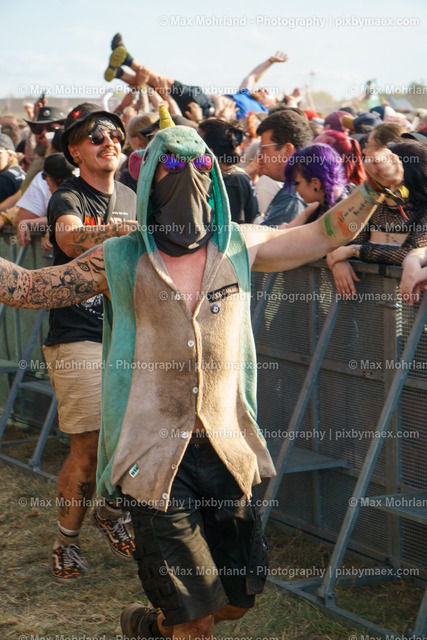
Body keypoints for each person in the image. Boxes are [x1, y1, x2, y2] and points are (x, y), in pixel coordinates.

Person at [0, 106, 403, 638]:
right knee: (198, 623)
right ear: (149, 177)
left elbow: (325, 233)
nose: (187, 174)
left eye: (200, 164)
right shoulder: (119, 257)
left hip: (226, 452)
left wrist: (373, 188)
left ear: (214, 173)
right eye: (171, 164)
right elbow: (31, 288)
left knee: (236, 602)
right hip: (154, 460)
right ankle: (177, 623)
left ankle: (152, 628)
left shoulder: (239, 244)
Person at [43, 103, 138, 581]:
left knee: (134, 437)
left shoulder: (134, 196)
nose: (109, 141)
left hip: (129, 337)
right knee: (89, 443)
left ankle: (111, 510)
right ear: (75, 150)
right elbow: (69, 239)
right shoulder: (69, 196)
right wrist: (122, 231)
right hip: (78, 335)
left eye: (115, 135)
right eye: (96, 137)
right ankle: (67, 541)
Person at [104, 33, 287, 120]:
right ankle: (120, 73)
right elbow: (253, 76)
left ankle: (128, 60)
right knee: (156, 87)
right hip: (203, 101)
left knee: (165, 83)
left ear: (274, 104)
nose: (264, 90)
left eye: (270, 93)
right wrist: (270, 61)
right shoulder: (246, 95)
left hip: (204, 108)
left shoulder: (263, 114)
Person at [326, 141, 427, 297]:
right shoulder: (374, 207)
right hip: (367, 304)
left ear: (405, 173)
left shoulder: (424, 211)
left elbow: (406, 253)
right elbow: (344, 242)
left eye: (385, 168)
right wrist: (338, 261)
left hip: (410, 306)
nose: (376, 174)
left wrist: (353, 251)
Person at [256, 109, 313, 226]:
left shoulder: (293, 199)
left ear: (287, 150)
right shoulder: (294, 189)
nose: (259, 156)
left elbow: (268, 237)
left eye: (264, 149)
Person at [197, 118, 259, 223]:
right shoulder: (229, 176)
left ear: (209, 152)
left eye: (197, 142)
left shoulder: (233, 181)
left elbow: (232, 227)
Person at [281, 143, 349, 227]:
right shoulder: (320, 206)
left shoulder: (344, 216)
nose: (294, 188)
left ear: (315, 183)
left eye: (297, 183)